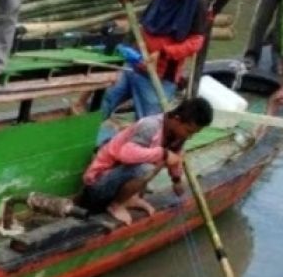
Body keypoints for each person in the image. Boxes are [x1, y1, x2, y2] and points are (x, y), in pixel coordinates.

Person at [96, 0, 209, 143]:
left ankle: (136, 160)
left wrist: (164, 53)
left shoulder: (198, 4)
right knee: (107, 99)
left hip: (160, 74)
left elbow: (195, 42)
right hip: (136, 61)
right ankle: (87, 138)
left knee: (147, 125)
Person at [78, 97, 212, 226]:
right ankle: (116, 205)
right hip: (98, 184)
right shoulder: (151, 126)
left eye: (193, 133)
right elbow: (126, 154)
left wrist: (176, 180)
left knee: (158, 161)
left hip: (118, 179)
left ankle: (129, 198)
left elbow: (175, 156)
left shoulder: (178, 135)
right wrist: (163, 153)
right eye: (188, 131)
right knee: (147, 167)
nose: (189, 136)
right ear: (177, 119)